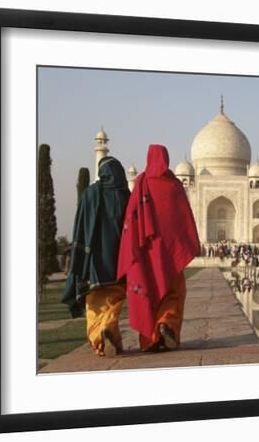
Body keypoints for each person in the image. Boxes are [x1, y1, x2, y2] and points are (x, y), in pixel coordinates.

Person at [117, 144, 200, 352]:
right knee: (173, 292)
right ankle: (166, 324)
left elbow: (131, 217)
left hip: (146, 251)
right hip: (170, 253)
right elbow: (184, 220)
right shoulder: (174, 186)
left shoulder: (141, 183)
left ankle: (150, 340)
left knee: (147, 290)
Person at [62, 157, 130, 357]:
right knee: (114, 301)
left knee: (94, 305)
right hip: (118, 262)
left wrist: (79, 254)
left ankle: (100, 339)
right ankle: (110, 331)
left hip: (94, 263)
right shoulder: (126, 195)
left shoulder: (89, 194)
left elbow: (81, 226)